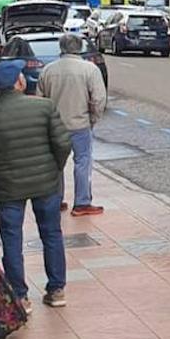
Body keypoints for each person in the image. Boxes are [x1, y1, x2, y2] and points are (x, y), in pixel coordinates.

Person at [0, 60, 72, 312]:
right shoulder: (44, 107)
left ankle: (20, 296)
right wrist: (54, 168)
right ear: (19, 82)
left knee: (11, 239)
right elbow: (63, 143)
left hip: (8, 187)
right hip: (46, 184)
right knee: (52, 234)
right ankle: (56, 290)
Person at [38, 33, 108, 216]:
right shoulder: (90, 70)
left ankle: (56, 199)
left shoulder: (48, 70)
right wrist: (93, 118)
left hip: (55, 126)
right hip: (80, 124)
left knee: (55, 164)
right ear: (80, 48)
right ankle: (82, 202)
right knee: (82, 161)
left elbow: (40, 100)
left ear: (61, 48)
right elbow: (99, 99)